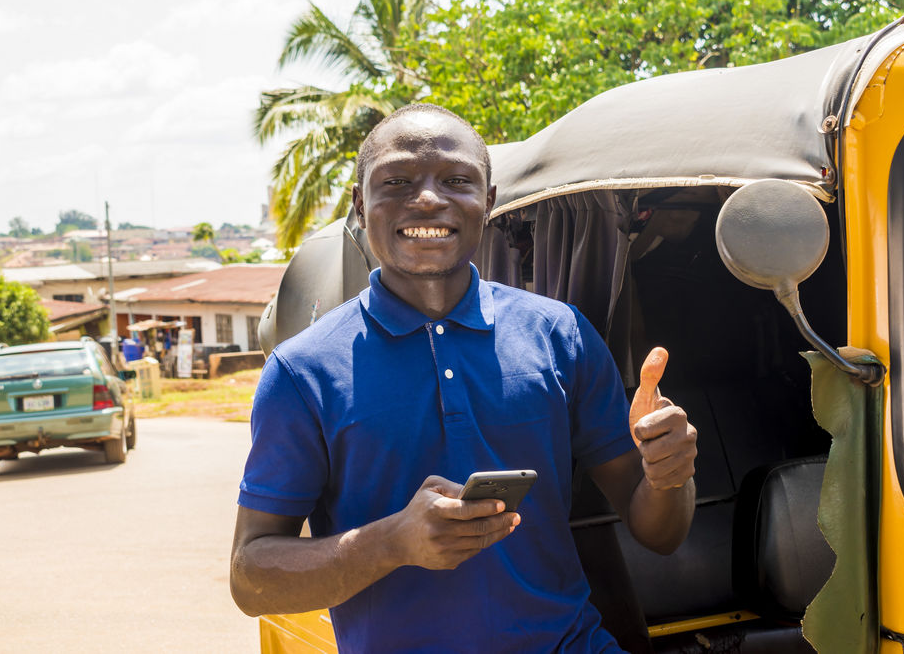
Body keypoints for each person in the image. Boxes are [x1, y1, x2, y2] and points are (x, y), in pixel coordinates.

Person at [230, 103, 698, 652]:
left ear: (489, 202)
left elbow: (660, 534)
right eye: (397, 181)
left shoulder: (559, 333)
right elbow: (250, 578)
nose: (428, 198)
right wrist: (391, 543)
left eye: (456, 180)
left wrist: (669, 475)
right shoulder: (301, 371)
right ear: (361, 205)